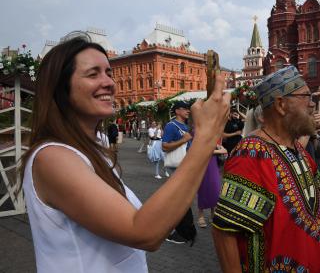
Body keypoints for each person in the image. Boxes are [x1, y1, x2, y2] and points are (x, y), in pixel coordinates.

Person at [19, 37, 230, 273]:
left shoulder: (93, 147)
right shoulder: (52, 158)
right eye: (93, 74)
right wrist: (205, 137)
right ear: (60, 88)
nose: (109, 82)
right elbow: (143, 233)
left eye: (109, 73)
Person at [212, 65, 320, 272]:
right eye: (306, 97)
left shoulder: (298, 150)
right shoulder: (252, 154)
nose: (313, 104)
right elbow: (225, 232)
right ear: (281, 105)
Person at [162, 100, 193, 244]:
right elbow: (164, 146)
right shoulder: (171, 126)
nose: (188, 111)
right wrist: (183, 140)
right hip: (177, 169)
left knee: (183, 199)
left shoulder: (185, 126)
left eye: (188, 109)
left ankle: (186, 231)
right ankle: (183, 232)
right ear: (177, 111)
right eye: (185, 109)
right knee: (180, 200)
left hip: (186, 167)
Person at [197, 144, 227, 228]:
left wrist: (219, 148)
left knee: (215, 189)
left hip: (213, 164)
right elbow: (202, 151)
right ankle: (200, 215)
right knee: (203, 189)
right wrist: (219, 151)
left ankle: (213, 213)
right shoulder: (199, 133)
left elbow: (224, 150)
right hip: (203, 164)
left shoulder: (214, 137)